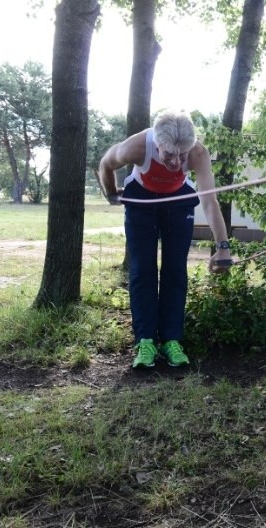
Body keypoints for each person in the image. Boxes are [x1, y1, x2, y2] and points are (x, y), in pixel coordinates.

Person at [99, 109, 232, 369]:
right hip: (141, 200)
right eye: (168, 155)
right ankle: (146, 341)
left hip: (178, 201)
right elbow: (106, 163)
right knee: (142, 269)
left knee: (175, 270)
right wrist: (111, 194)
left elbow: (209, 200)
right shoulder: (136, 147)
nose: (175, 162)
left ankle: (172, 340)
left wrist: (222, 247)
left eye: (180, 155)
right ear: (157, 144)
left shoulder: (197, 153)